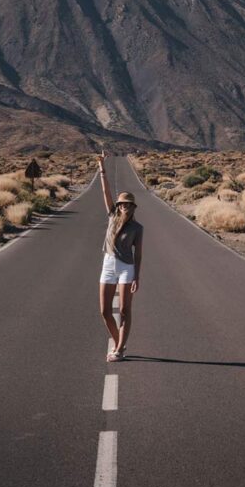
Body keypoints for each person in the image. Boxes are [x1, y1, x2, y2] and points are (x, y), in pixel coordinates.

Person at [98, 150, 143, 362]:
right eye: (122, 204)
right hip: (108, 264)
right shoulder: (111, 217)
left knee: (124, 309)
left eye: (128, 204)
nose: (125, 207)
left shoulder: (137, 228)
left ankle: (119, 349)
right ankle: (119, 344)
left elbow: (139, 253)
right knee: (105, 311)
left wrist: (137, 277)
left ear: (133, 208)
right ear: (118, 206)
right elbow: (106, 192)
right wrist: (102, 169)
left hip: (127, 268)